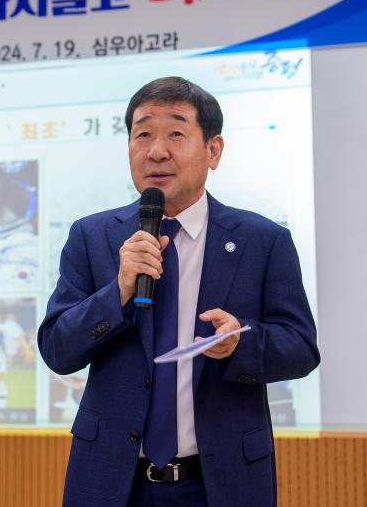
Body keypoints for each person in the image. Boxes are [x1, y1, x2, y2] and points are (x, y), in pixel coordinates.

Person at [37, 77, 319, 507]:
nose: (156, 151)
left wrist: (240, 342)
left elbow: (300, 348)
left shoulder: (262, 241)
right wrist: (118, 291)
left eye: (175, 133)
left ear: (213, 150)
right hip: (112, 481)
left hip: (220, 483)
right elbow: (58, 350)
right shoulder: (92, 237)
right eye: (143, 134)